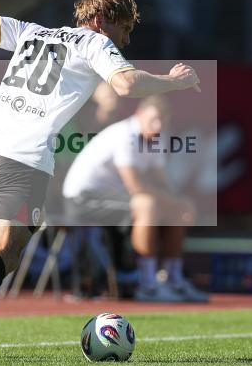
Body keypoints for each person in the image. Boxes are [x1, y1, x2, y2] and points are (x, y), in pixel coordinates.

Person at [0, 0, 201, 361]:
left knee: (13, 247)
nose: (125, 38)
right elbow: (125, 85)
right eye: (125, 28)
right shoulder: (95, 44)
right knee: (4, 247)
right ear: (103, 20)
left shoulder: (31, 32)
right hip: (20, 161)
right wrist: (177, 80)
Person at [62, 96, 207, 303]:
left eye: (162, 121)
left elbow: (160, 178)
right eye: (153, 120)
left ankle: (174, 280)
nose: (157, 125)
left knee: (171, 208)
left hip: (113, 198)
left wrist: (180, 203)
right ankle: (147, 285)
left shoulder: (158, 136)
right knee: (147, 204)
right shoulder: (125, 135)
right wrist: (176, 202)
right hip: (81, 199)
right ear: (139, 115)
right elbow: (135, 186)